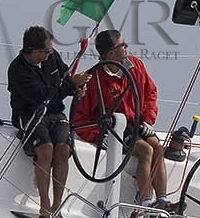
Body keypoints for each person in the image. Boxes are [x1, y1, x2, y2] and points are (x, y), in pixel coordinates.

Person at [72, 30, 170, 208]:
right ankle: (145, 200)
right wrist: (97, 136)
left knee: (158, 146)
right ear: (110, 53)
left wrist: (148, 119)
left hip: (136, 123)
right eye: (122, 45)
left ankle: (162, 199)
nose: (127, 47)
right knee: (145, 150)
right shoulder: (92, 79)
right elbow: (80, 119)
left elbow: (150, 93)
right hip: (113, 128)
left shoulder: (136, 66)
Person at [7, 25, 91, 218]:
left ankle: (57, 206)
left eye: (50, 51)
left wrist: (77, 87)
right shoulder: (18, 70)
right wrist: (71, 85)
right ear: (34, 51)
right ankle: (44, 205)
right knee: (46, 150)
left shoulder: (52, 58)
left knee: (63, 149)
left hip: (55, 114)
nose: (49, 55)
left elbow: (64, 79)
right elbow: (43, 97)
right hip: (30, 114)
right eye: (46, 51)